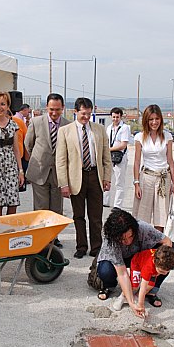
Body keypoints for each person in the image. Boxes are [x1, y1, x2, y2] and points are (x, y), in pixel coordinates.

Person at [56, 97, 112, 258]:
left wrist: (107, 178)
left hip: (95, 176)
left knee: (96, 216)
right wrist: (63, 184)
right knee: (78, 215)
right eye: (83, 114)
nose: (86, 117)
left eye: (89, 114)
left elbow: (106, 157)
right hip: (76, 178)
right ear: (75, 112)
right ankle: (81, 246)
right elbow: (61, 160)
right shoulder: (65, 131)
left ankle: (96, 247)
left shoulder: (99, 129)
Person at [95, 208, 174, 317]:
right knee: (105, 270)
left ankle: (152, 290)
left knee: (173, 250)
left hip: (140, 257)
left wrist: (157, 266)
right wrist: (132, 303)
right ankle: (109, 286)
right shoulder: (110, 240)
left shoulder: (142, 228)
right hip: (118, 259)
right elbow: (122, 273)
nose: (127, 242)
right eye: (122, 240)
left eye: (130, 236)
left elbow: (167, 241)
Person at [24, 93, 69, 246]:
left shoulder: (67, 125)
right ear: (46, 108)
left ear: (63, 108)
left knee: (56, 208)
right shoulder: (36, 122)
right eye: (51, 109)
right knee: (41, 207)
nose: (54, 113)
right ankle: (41, 239)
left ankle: (53, 238)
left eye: (57, 109)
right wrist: (40, 159)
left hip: (59, 173)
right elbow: (28, 144)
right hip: (39, 171)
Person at [133, 104, 174, 232]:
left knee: (161, 216)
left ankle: (159, 247)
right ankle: (144, 248)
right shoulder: (139, 137)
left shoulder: (167, 137)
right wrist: (136, 183)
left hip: (163, 178)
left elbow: (170, 160)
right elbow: (136, 161)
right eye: (151, 119)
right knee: (142, 216)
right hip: (146, 178)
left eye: (157, 119)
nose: (154, 122)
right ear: (146, 120)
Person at [103, 107, 131, 208]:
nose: (115, 119)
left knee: (119, 182)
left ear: (121, 117)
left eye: (117, 117)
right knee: (106, 179)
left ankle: (117, 205)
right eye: (113, 117)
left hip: (120, 158)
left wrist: (109, 149)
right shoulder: (109, 128)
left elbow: (123, 144)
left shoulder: (124, 128)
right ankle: (105, 201)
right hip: (109, 157)